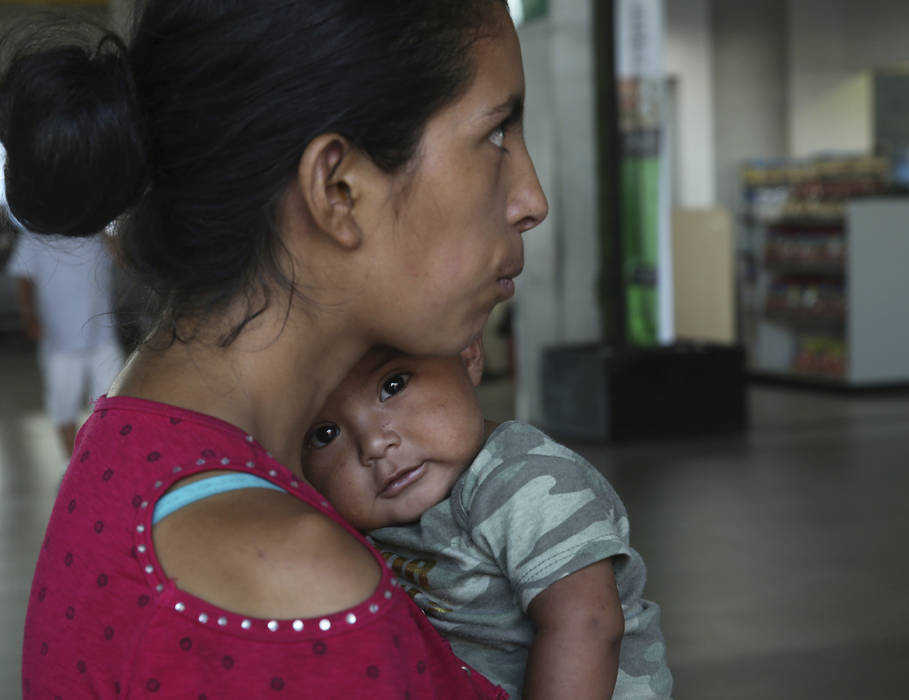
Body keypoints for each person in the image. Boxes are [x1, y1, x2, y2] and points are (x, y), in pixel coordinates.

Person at [8, 0, 547, 696]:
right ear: (339, 190)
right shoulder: (300, 590)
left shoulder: (126, 448)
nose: (530, 199)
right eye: (498, 134)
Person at [301, 338, 673, 699]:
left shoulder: (525, 480)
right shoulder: (353, 520)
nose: (374, 445)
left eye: (392, 386)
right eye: (325, 433)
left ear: (468, 355)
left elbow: (586, 623)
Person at [4, 213, 125, 457]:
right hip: (60, 338)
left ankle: (104, 461)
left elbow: (123, 259)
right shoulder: (36, 236)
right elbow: (24, 278)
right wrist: (29, 316)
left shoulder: (96, 233)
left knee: (114, 405)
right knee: (62, 406)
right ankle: (73, 465)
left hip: (102, 338)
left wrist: (102, 229)